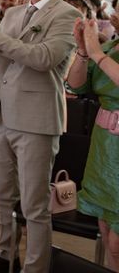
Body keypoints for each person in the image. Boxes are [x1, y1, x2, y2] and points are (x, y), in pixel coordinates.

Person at [0, 0, 80, 273]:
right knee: (3, 195)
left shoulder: (67, 15)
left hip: (36, 119)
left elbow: (43, 58)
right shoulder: (16, 11)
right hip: (0, 113)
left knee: (34, 206)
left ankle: (35, 267)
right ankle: (5, 256)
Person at [66, 17, 119, 271]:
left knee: (118, 241)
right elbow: (75, 86)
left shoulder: (104, 52)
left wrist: (96, 53)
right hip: (104, 148)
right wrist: (83, 52)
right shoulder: (111, 48)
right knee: (106, 227)